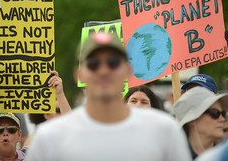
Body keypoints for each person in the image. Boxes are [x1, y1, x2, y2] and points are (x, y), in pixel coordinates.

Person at [25, 32, 191, 161]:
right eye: (94, 64)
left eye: (113, 63)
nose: (104, 71)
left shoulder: (165, 130)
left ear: (128, 70)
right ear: (79, 75)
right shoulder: (49, 137)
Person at [172, 86, 228, 160]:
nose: (222, 119)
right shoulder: (172, 156)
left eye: (223, 113)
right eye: (215, 113)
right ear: (191, 120)